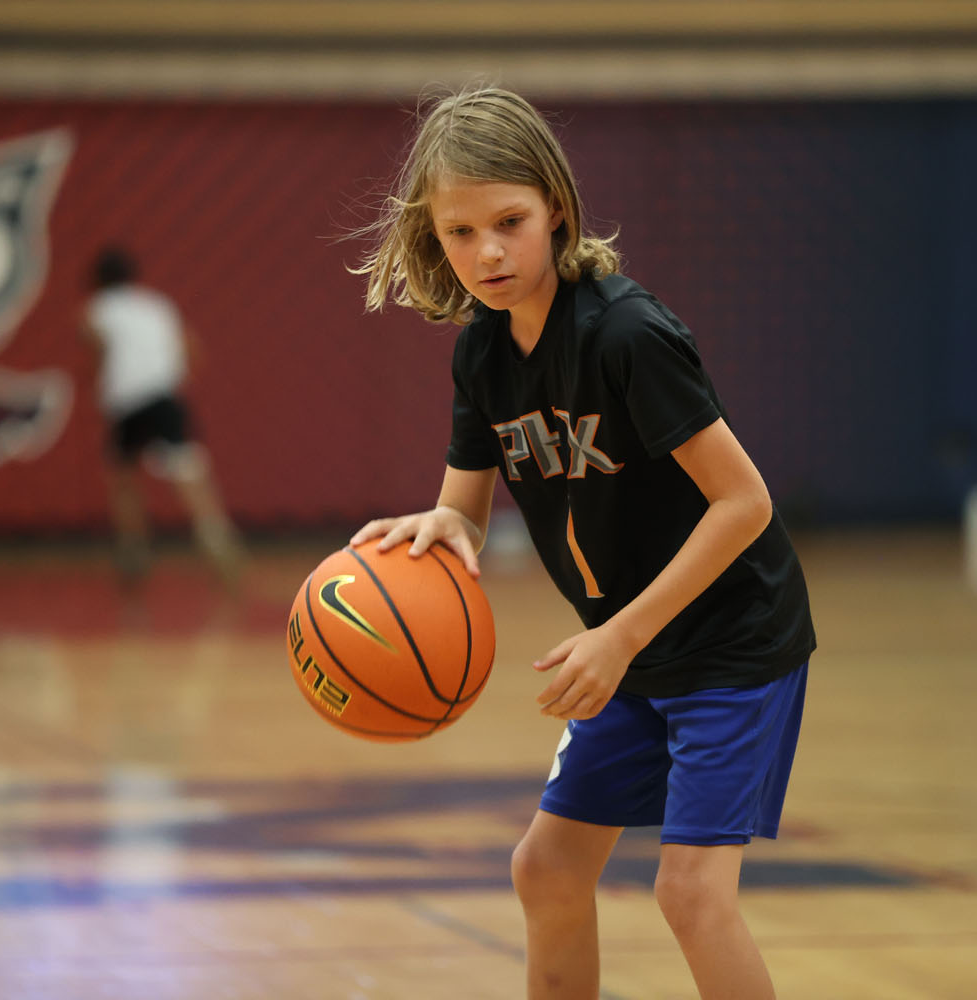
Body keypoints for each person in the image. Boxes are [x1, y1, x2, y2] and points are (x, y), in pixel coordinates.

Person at [350, 88, 816, 1000]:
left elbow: (744, 503)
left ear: (556, 208)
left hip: (730, 644)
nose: (486, 252)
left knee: (690, 895)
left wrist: (621, 638)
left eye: (509, 222)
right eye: (459, 231)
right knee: (547, 868)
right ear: (431, 236)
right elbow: (467, 509)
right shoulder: (483, 354)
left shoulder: (628, 335)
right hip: (627, 651)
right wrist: (444, 523)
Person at [81, 246, 244, 587]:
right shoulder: (157, 306)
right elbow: (190, 348)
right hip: (163, 398)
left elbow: (97, 350)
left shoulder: (96, 309)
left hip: (125, 403)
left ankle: (133, 551)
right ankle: (218, 542)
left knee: (124, 477)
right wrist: (169, 377)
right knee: (188, 473)